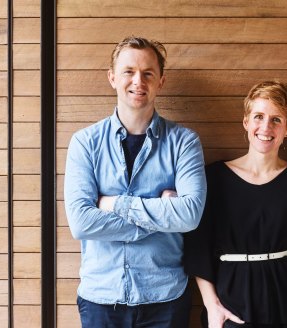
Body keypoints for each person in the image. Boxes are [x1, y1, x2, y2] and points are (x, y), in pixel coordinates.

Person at [64, 36, 206, 328]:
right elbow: (81, 223)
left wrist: (114, 204)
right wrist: (163, 215)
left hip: (165, 298)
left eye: (148, 73)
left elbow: (190, 215)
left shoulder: (184, 143)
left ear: (161, 81)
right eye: (129, 71)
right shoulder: (85, 143)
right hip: (101, 299)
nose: (138, 81)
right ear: (112, 77)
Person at [184, 81, 287, 328]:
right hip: (231, 308)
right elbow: (198, 248)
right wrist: (212, 307)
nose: (266, 127)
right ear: (246, 122)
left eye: (276, 119)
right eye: (259, 116)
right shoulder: (213, 178)